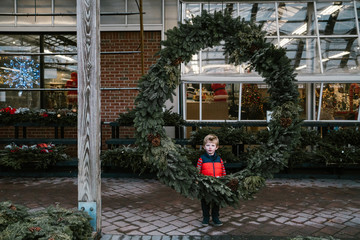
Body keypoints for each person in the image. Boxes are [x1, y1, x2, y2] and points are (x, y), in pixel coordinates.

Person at [196, 134, 226, 227]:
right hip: (205, 185)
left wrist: (224, 180)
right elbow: (197, 171)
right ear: (204, 147)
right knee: (205, 202)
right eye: (208, 145)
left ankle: (215, 217)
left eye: (212, 145)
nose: (210, 148)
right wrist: (198, 181)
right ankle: (206, 217)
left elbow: (223, 170)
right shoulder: (202, 159)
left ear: (216, 147)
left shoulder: (219, 159)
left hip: (217, 184)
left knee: (216, 202)